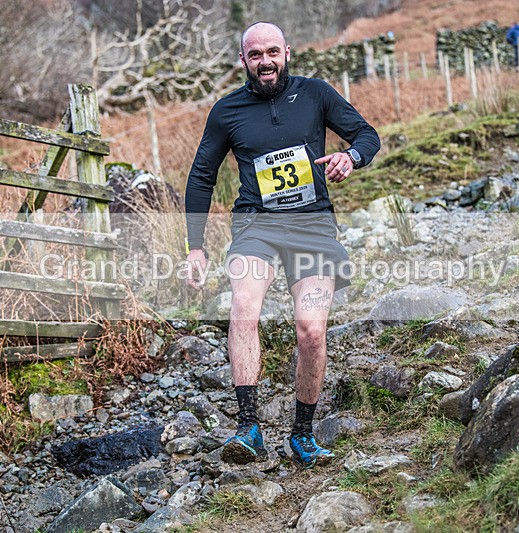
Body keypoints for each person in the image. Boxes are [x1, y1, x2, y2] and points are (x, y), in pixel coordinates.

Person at [184, 21, 380, 469]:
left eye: (273, 51)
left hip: (312, 227)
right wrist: (196, 246)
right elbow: (201, 176)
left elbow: (367, 134)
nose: (265, 61)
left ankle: (302, 435)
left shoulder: (316, 94)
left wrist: (351, 157)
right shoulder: (227, 111)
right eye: (256, 55)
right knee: (244, 307)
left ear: (287, 52)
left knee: (311, 331)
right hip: (257, 227)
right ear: (244, 61)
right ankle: (249, 428)